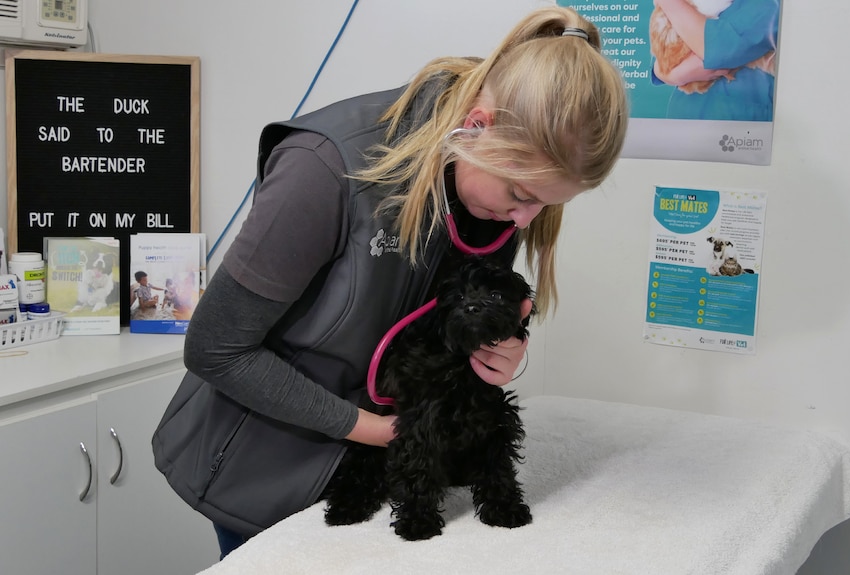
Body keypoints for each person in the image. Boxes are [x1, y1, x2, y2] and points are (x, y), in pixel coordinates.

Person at [152, 5, 629, 559]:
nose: (525, 220)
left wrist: (501, 348)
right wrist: (376, 431)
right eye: (521, 197)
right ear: (476, 127)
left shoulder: (499, 183)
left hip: (399, 469)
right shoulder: (324, 169)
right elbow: (216, 350)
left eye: (546, 205)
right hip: (271, 468)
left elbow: (459, 310)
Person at [650, 0, 779, 121]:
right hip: (685, 113)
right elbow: (662, 57)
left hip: (736, 123)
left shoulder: (770, 5)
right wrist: (673, 75)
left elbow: (717, 49)